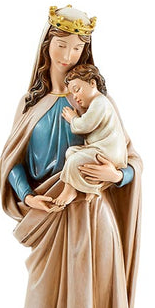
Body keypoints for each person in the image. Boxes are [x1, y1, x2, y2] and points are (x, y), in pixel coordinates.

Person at [0, 5, 142, 308]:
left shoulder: (98, 103)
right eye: (60, 44)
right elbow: (12, 162)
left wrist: (117, 176)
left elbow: (131, 160)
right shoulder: (34, 105)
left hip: (92, 224)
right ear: (47, 47)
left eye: (77, 47)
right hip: (49, 224)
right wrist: (27, 196)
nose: (67, 54)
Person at [54, 64, 128, 206]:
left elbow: (85, 125)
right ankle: (90, 187)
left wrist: (72, 118)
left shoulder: (100, 102)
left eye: (77, 90)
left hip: (108, 152)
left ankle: (69, 190)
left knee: (74, 160)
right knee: (71, 152)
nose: (75, 97)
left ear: (92, 83)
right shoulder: (97, 103)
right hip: (101, 149)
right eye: (72, 94)